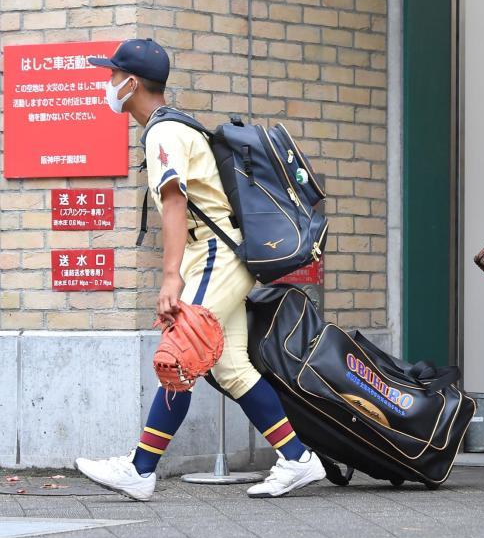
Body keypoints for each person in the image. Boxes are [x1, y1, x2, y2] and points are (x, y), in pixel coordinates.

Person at [74, 39, 327, 501]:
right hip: (215, 255)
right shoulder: (169, 127)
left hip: (214, 254)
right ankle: (298, 459)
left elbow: (175, 201)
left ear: (133, 83)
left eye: (113, 76)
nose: (108, 84)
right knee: (230, 368)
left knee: (179, 356)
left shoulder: (162, 132)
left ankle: (141, 469)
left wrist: (171, 277)